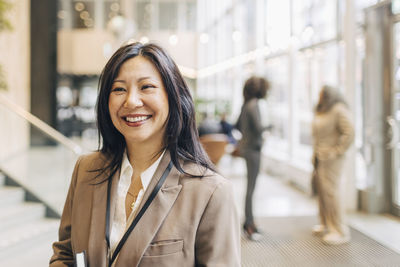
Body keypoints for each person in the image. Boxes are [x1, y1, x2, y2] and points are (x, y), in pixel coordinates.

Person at [50, 42, 240, 267]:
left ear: (173, 96)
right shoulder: (86, 170)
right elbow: (65, 254)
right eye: (119, 89)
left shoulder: (210, 191)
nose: (131, 101)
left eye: (146, 87)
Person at [311, 85, 354, 245]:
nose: (319, 96)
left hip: (332, 159)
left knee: (331, 192)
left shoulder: (339, 109)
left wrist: (337, 150)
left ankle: (340, 230)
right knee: (322, 192)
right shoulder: (322, 110)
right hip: (320, 157)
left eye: (322, 94)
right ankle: (326, 224)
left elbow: (349, 132)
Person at [236, 76, 270, 241]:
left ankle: (250, 222)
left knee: (250, 188)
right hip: (254, 150)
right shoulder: (254, 105)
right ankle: (249, 224)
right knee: (251, 189)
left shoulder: (245, 105)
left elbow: (237, 125)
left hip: (246, 149)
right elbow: (258, 128)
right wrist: (270, 126)